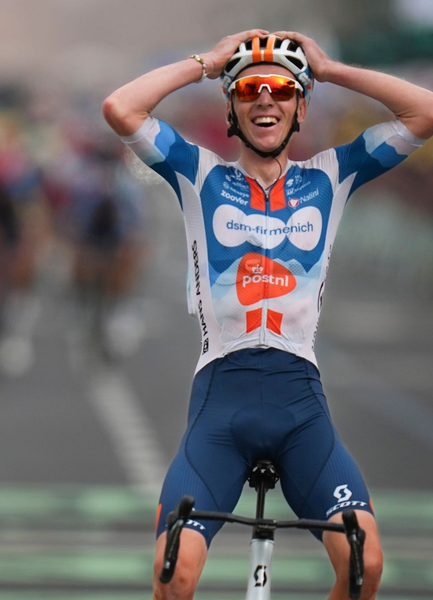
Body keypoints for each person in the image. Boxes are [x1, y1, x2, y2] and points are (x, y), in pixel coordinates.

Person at [102, 30, 433, 600]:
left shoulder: (332, 174)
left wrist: (329, 70)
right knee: (174, 575)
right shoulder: (199, 175)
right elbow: (121, 108)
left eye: (282, 90)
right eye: (250, 89)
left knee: (366, 564)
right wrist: (207, 63)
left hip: (301, 407)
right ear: (231, 106)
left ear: (300, 106)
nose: (265, 101)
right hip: (220, 407)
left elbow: (425, 112)